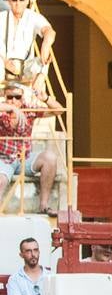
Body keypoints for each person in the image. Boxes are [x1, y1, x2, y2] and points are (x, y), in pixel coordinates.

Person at [0, 83, 61, 215]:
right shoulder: (2, 111)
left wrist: (46, 98)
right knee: (1, 180)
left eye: (17, 97)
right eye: (10, 97)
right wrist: (12, 109)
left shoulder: (29, 109)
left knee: (50, 157)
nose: (14, 100)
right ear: (5, 97)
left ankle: (44, 205)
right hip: (4, 159)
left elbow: (60, 111)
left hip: (25, 158)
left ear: (22, 97)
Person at [1, 0, 53, 87]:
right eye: (15, 0)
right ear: (9, 0)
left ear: (27, 0)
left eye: (21, 0)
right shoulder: (2, 17)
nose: (18, 3)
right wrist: (5, 61)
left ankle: (36, 93)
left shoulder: (32, 17)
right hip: (4, 65)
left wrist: (46, 45)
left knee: (42, 62)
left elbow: (49, 31)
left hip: (25, 66)